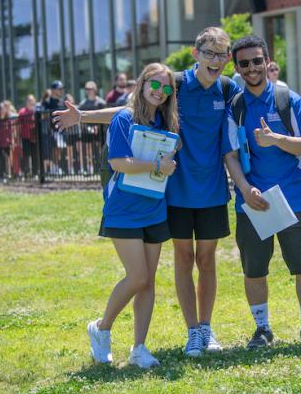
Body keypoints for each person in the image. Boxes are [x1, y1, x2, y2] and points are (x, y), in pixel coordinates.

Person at [53, 27, 241, 358]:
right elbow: (130, 111)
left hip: (212, 189)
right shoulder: (175, 85)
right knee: (180, 261)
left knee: (206, 261)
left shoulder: (227, 89)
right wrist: (83, 116)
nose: (215, 59)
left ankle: (200, 329)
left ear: (228, 58)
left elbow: (243, 120)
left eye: (221, 54)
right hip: (174, 192)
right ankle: (191, 331)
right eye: (209, 52)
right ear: (195, 54)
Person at [224, 35, 301, 348]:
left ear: (267, 61)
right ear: (238, 68)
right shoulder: (235, 107)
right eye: (244, 63)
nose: (252, 68)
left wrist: (277, 139)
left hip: (293, 198)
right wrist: (244, 189)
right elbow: (230, 154)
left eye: (257, 60)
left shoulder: (288, 99)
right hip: (253, 202)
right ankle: (262, 330)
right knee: (254, 270)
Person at [86, 62, 178, 368]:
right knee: (137, 277)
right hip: (124, 211)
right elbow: (119, 163)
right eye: (155, 84)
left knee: (148, 281)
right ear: (141, 83)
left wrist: (168, 164)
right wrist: (157, 166)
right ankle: (101, 329)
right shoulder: (124, 118)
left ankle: (139, 347)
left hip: (154, 208)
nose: (159, 91)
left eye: (166, 88)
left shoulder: (164, 122)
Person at [78, 81, 107, 174]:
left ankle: (99, 166)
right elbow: (80, 118)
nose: (88, 91)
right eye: (86, 89)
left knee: (100, 149)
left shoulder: (101, 102)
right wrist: (87, 127)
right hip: (86, 131)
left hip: (99, 131)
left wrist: (97, 126)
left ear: (95, 89)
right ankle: (89, 168)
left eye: (90, 89)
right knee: (87, 149)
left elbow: (105, 116)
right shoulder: (82, 104)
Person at [0, 101, 15, 182]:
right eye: (1, 109)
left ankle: (8, 175)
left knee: (7, 160)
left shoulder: (8, 120)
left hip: (7, 143)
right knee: (0, 160)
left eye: (4, 109)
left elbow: (11, 132)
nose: (2, 111)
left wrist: (11, 141)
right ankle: (0, 176)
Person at [18, 94, 39, 178]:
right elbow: (18, 124)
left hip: (34, 137)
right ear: (26, 102)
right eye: (29, 100)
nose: (31, 102)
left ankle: (35, 173)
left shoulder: (36, 111)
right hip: (25, 137)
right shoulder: (22, 112)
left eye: (32, 100)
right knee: (26, 156)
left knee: (35, 155)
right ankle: (26, 173)